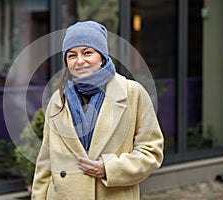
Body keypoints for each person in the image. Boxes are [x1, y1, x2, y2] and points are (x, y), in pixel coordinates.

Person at [31, 21, 164, 200]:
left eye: (87, 53)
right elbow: (45, 163)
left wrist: (109, 168)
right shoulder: (58, 99)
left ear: (101, 56)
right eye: (71, 55)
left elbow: (151, 151)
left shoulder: (133, 93)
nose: (79, 61)